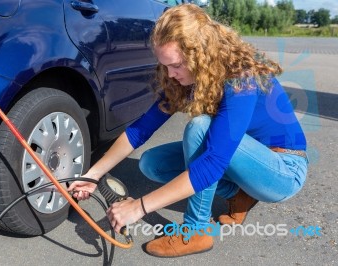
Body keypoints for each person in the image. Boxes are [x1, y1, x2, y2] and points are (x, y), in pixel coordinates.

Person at [67, 4, 308, 258]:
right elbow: (140, 130)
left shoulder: (240, 76)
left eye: (177, 65)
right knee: (153, 164)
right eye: (166, 65)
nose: (170, 74)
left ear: (200, 54)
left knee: (200, 128)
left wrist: (138, 207)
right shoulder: (188, 76)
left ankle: (196, 230)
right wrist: (93, 175)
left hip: (282, 168)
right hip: (240, 156)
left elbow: (214, 162)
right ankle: (238, 193)